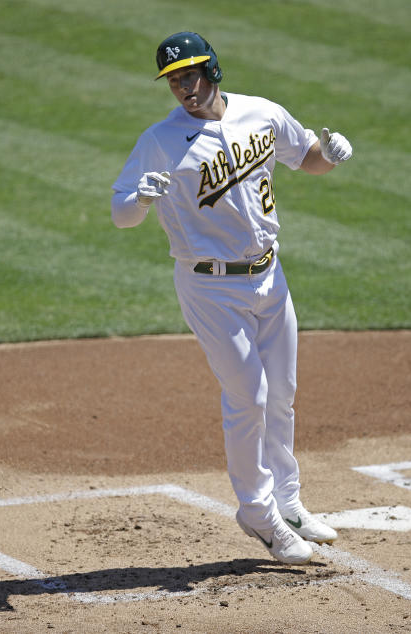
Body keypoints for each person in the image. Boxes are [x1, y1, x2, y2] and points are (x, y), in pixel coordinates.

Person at [111, 32, 352, 564]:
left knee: (283, 392)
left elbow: (306, 156)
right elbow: (121, 211)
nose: (183, 87)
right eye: (173, 79)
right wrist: (142, 200)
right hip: (209, 285)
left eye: (190, 75)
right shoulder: (159, 139)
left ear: (213, 70)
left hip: (270, 274)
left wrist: (331, 156)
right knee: (249, 395)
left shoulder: (260, 113)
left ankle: (288, 501)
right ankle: (258, 512)